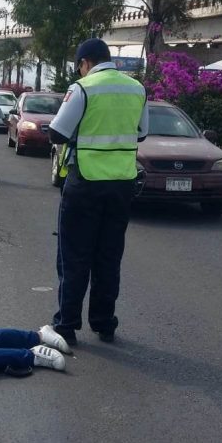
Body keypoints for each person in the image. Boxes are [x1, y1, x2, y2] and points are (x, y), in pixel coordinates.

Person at [47, 38, 150, 346]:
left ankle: (66, 326)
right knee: (108, 256)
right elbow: (142, 133)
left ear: (85, 62)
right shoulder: (136, 88)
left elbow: (56, 132)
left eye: (79, 66)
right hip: (121, 184)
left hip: (86, 182)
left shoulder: (83, 87)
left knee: (74, 255)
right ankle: (104, 323)